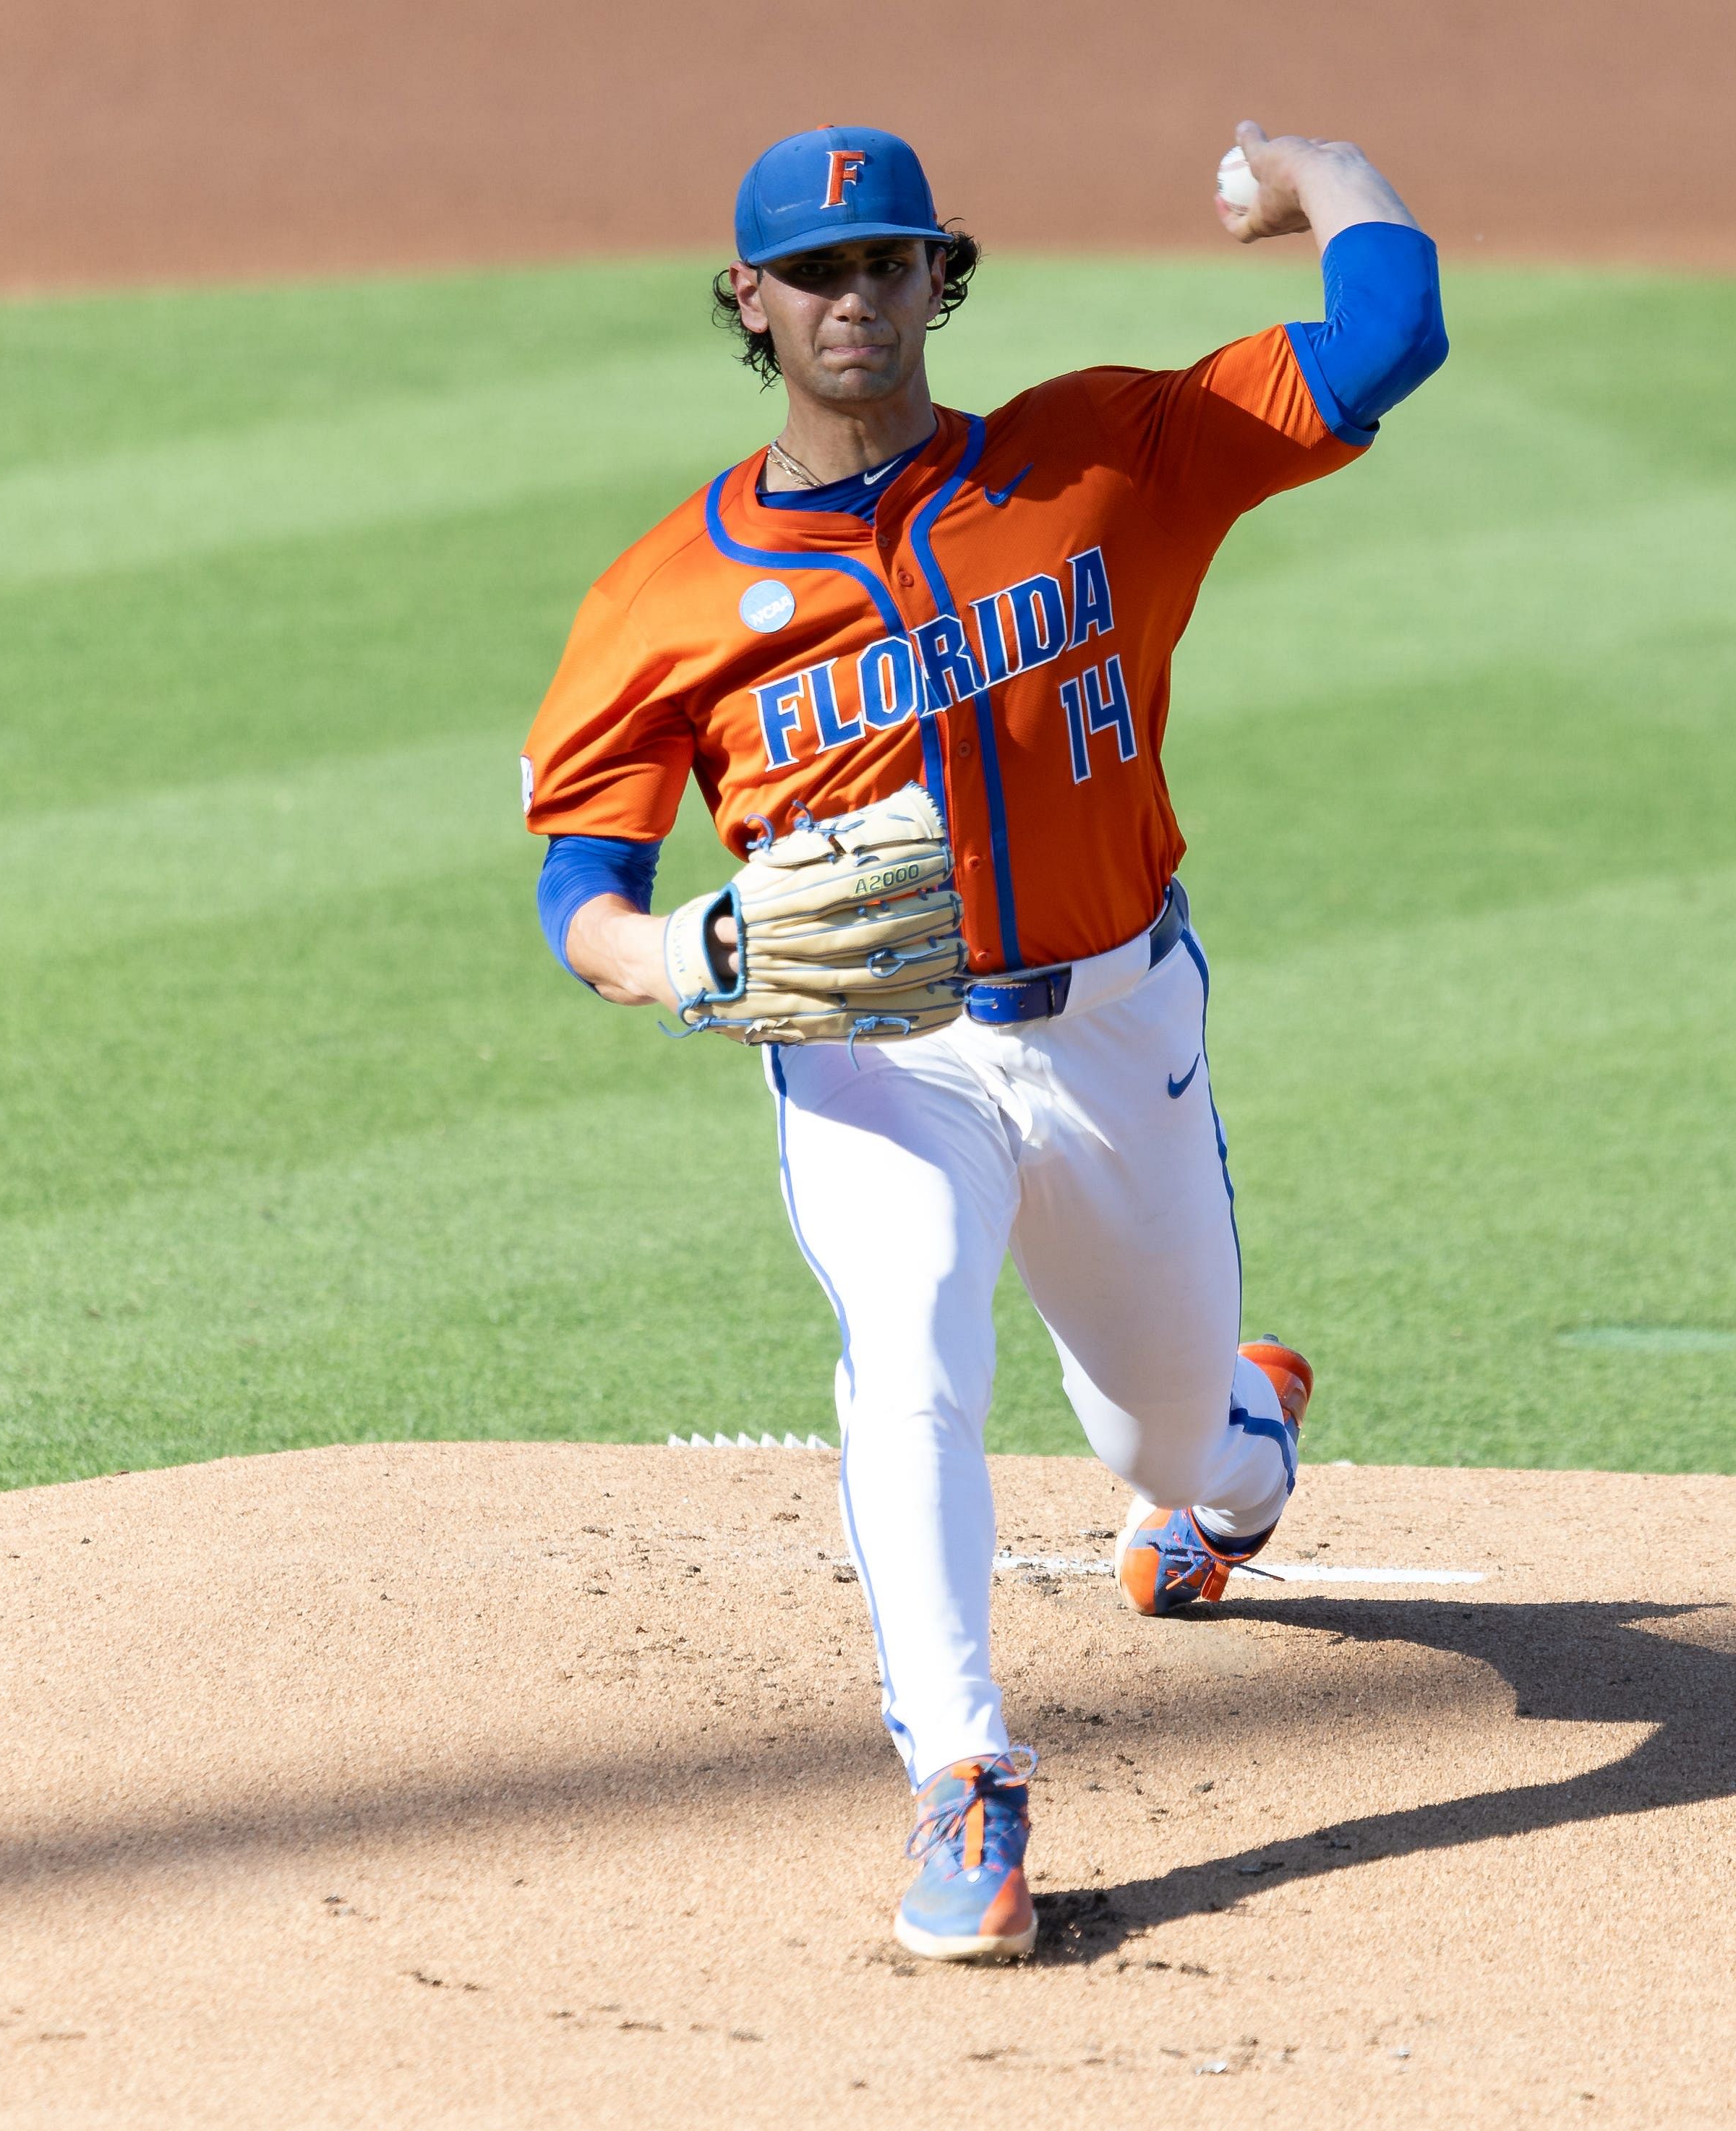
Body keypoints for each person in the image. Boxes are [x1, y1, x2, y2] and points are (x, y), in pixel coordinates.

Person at [513, 118, 1446, 1960]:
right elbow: (581, 889)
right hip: (875, 1055)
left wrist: (1326, 175)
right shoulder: (667, 595)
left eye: (886, 263)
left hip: (1112, 1028)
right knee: (909, 1356)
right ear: (748, 302)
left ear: (941, 277)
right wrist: (663, 948)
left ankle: (1231, 1459)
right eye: (813, 272)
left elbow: (1388, 336)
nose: (852, 299)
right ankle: (964, 1780)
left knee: (1174, 1443)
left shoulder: (1107, 453)